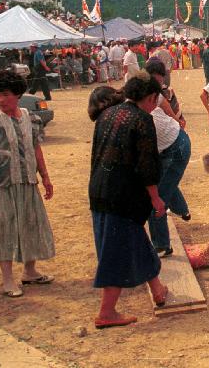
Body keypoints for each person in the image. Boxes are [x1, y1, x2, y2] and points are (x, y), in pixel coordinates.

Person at [87, 77, 168, 328]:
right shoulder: (143, 120)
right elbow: (147, 166)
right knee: (117, 251)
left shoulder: (108, 113)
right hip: (123, 195)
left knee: (134, 239)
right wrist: (156, 198)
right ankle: (106, 312)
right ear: (152, 98)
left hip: (100, 188)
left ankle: (158, 289)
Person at [0, 69, 55, 298]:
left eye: (5, 94)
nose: (1, 99)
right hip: (2, 185)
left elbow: (36, 147)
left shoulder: (30, 117)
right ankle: (8, 280)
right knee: (4, 229)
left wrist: (45, 176)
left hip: (28, 181)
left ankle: (30, 271)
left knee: (31, 224)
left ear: (18, 94)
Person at [144, 61, 192, 257]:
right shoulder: (139, 94)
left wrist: (175, 119)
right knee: (165, 183)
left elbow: (163, 102)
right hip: (168, 146)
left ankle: (162, 245)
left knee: (156, 198)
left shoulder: (149, 93)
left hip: (177, 146)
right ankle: (182, 210)